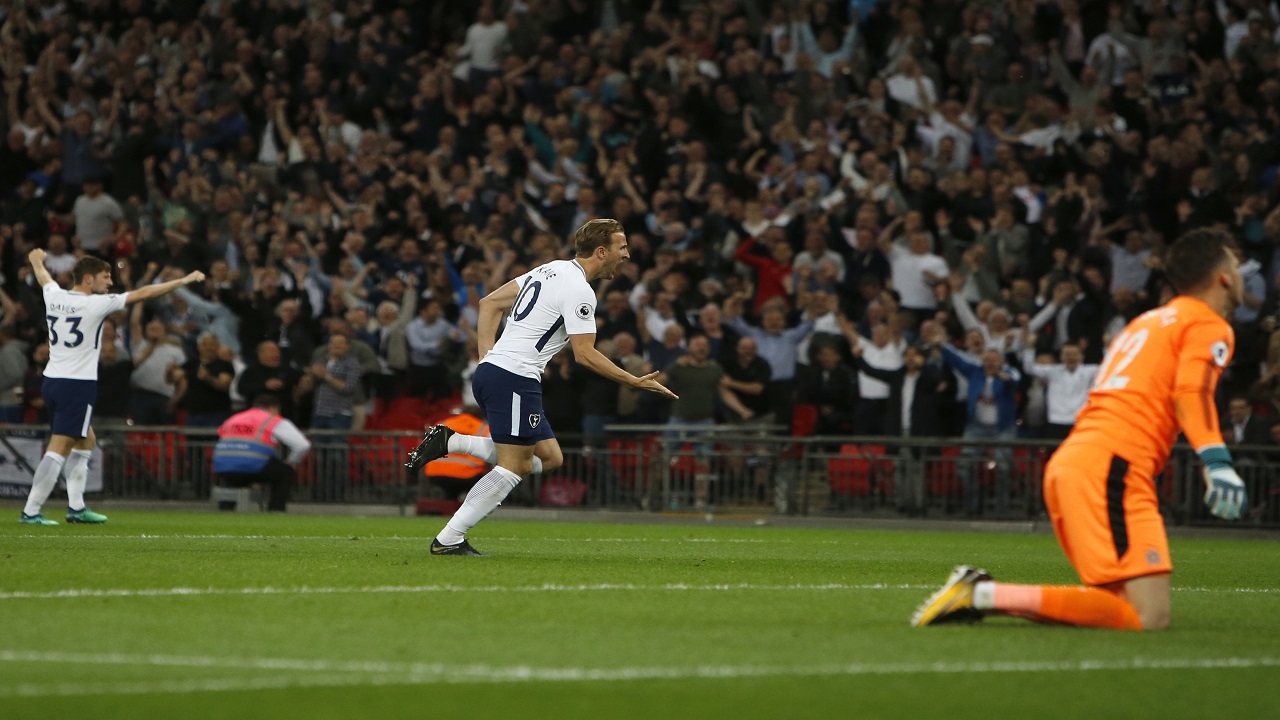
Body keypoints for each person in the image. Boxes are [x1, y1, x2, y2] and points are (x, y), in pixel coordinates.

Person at [912, 228, 1249, 631]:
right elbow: (1191, 390)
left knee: (1124, 607)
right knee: (1147, 616)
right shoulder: (1208, 324)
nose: (1241, 274)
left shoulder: (1147, 322)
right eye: (1236, 264)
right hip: (1113, 468)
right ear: (1223, 276)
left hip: (1082, 461)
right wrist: (1216, 460)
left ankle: (981, 593)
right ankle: (981, 594)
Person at [405, 219, 677, 555]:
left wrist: (487, 357)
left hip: (497, 372)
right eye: (622, 248)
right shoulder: (580, 291)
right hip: (514, 377)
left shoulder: (550, 269)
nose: (627, 255)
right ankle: (449, 539)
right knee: (515, 465)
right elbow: (585, 354)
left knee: (550, 457)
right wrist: (634, 380)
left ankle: (453, 440)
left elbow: (489, 303)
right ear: (602, 251)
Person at [19, 250, 204, 525]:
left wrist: (35, 260)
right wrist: (182, 281)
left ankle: (77, 507)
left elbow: (44, 277)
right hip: (76, 384)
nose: (109, 283)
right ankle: (31, 511)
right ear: (88, 279)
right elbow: (145, 293)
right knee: (59, 446)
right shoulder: (95, 304)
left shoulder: (55, 296)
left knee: (87, 440)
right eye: (106, 277)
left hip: (53, 381)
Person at [211, 394, 311, 512]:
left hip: (222, 467)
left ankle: (225, 510)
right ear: (273, 408)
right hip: (254, 466)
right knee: (286, 472)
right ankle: (276, 510)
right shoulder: (272, 420)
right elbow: (303, 445)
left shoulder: (234, 418)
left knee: (234, 474)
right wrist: (292, 462)